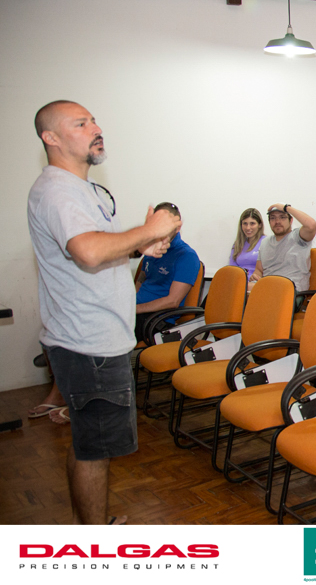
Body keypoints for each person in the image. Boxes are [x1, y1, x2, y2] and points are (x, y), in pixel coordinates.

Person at [28, 100, 181, 524]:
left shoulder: (81, 190)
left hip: (92, 336)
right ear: (51, 138)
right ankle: (95, 543)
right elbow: (89, 251)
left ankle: (90, 531)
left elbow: (96, 248)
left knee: (89, 445)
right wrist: (150, 229)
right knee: (95, 449)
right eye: (80, 123)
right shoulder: (58, 190)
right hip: (88, 341)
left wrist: (138, 246)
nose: (95, 128)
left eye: (94, 120)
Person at [134, 202, 200, 340]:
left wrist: (135, 309)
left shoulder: (186, 255)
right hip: (137, 311)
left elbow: (173, 301)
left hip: (155, 320)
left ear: (177, 227)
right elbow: (142, 278)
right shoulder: (151, 249)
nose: (162, 229)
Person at [251, 204, 316, 292]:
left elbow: (311, 225)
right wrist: (256, 276)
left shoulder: (298, 237)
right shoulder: (265, 242)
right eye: (273, 218)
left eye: (282, 217)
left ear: (291, 220)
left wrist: (286, 208)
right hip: (268, 287)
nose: (277, 221)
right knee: (242, 288)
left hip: (291, 289)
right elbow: (259, 270)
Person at [229, 208, 265, 275]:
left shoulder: (266, 242)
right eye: (245, 223)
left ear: (260, 225)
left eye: (252, 223)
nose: (248, 228)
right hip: (239, 279)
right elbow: (232, 269)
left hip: (258, 280)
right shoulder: (238, 244)